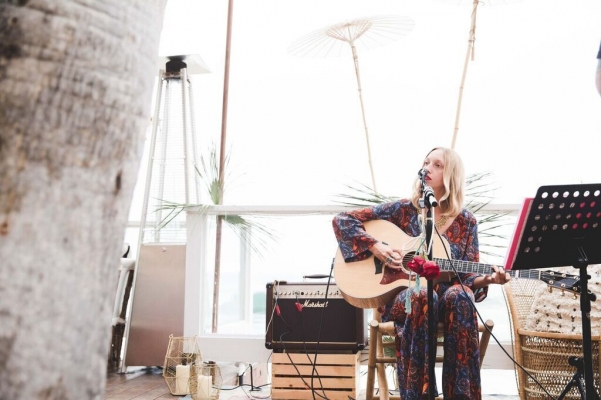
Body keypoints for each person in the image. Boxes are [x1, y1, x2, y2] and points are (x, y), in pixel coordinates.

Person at [332, 146, 510, 400]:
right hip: (406, 296)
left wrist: (490, 279)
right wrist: (377, 246)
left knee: (462, 294)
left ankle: (461, 395)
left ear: (451, 175)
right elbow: (343, 220)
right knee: (423, 296)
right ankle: (417, 395)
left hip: (448, 297)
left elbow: (468, 276)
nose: (428, 168)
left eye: (438, 165)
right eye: (426, 162)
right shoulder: (403, 210)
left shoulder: (466, 221)